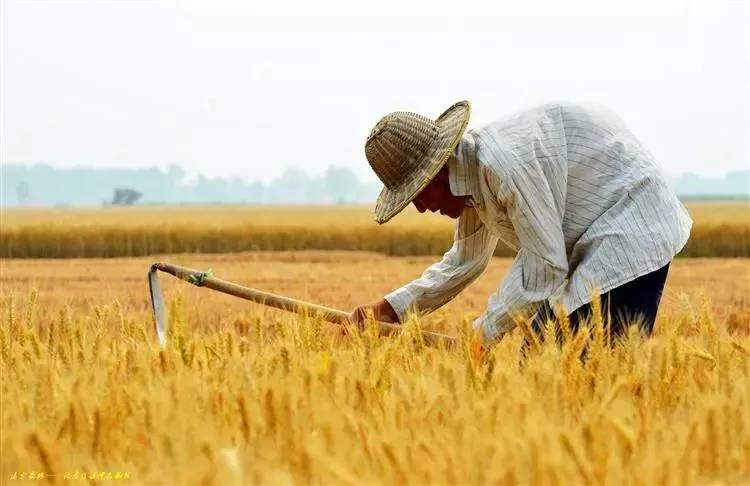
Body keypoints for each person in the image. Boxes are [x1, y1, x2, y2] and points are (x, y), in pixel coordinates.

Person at [350, 100, 692, 349]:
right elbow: (465, 261)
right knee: (539, 364)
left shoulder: (502, 167)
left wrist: (481, 335)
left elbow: (545, 265)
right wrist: (391, 309)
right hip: (588, 236)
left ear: (438, 171)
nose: (421, 208)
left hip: (631, 225)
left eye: (418, 193)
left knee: (585, 370)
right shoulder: (466, 176)